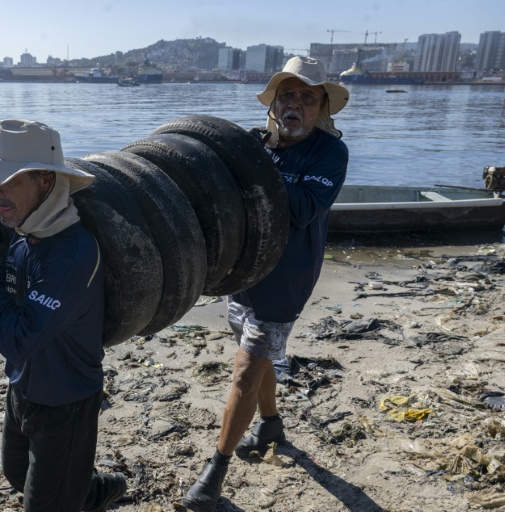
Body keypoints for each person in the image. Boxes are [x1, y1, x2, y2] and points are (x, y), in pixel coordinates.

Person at [183, 56, 350, 511]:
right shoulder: (259, 146)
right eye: (287, 95)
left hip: (286, 282)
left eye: (307, 97)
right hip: (244, 273)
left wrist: (254, 166)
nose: (295, 104)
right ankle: (271, 426)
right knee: (258, 361)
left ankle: (213, 475)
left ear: (322, 108)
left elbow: (299, 209)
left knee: (243, 372)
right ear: (274, 103)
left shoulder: (329, 154)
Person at [0, 119, 127, 511]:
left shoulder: (71, 253)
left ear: (46, 181)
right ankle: (90, 491)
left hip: (66, 401)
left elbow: (17, 338)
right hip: (23, 386)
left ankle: (95, 489)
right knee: (17, 473)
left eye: (7, 180)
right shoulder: (25, 233)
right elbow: (13, 308)